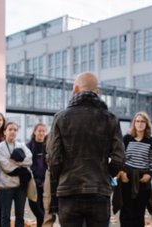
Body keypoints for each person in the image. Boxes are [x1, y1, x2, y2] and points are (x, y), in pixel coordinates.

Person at [47, 72, 125, 227]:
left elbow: (53, 159)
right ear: (98, 92)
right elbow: (119, 158)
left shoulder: (61, 117)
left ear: (75, 89)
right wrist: (105, 173)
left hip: (69, 191)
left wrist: (63, 175)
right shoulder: (110, 119)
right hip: (99, 191)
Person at [119, 111, 152, 227]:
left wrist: (149, 174)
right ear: (134, 123)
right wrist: (122, 173)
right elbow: (120, 158)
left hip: (142, 179)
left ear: (146, 124)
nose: (140, 124)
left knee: (139, 211)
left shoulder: (150, 141)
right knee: (126, 210)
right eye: (137, 121)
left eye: (142, 121)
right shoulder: (127, 138)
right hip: (127, 177)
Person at [0, 122, 32, 227]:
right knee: (5, 215)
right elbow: (5, 166)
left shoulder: (21, 145)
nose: (13, 131)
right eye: (10, 129)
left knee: (20, 215)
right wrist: (21, 162)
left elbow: (29, 160)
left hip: (20, 186)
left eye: (15, 129)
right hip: (5, 186)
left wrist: (14, 160)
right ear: (4, 132)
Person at [26, 123, 48, 227]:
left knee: (43, 209)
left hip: (45, 183)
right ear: (35, 132)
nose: (41, 133)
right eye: (39, 131)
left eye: (44, 131)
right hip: (32, 183)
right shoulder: (28, 146)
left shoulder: (48, 146)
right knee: (35, 207)